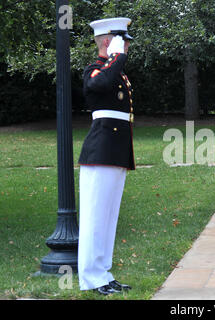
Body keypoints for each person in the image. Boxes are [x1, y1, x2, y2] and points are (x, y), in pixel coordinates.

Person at [77, 17, 135, 295]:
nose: (125, 48)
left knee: (109, 217)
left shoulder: (114, 70)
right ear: (107, 41)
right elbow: (101, 86)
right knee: (95, 217)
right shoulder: (95, 69)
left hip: (115, 150)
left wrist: (116, 59)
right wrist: (116, 57)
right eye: (121, 41)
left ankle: (103, 272)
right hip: (100, 150)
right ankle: (90, 277)